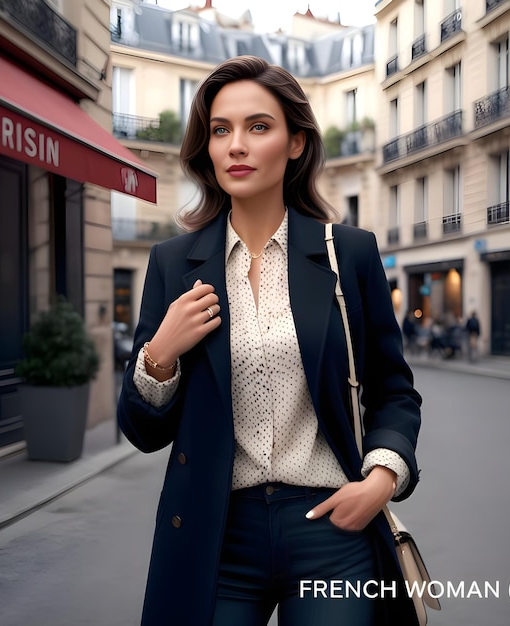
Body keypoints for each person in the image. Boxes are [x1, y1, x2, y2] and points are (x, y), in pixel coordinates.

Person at [117, 56, 422, 626]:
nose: (237, 145)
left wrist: (380, 480)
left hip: (331, 527)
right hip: (218, 533)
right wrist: (160, 355)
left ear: (296, 143)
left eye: (259, 126)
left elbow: (393, 391)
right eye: (220, 129)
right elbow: (144, 431)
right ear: (206, 148)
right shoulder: (171, 265)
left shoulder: (347, 253)